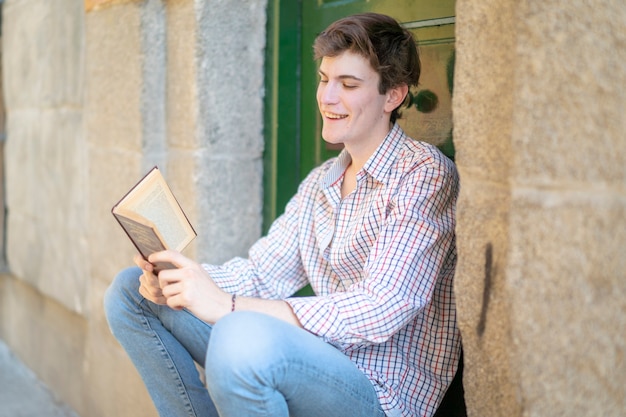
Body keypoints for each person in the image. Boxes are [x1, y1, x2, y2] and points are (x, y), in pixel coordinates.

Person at [105, 12, 461, 417]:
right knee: (130, 290)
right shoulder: (321, 182)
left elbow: (383, 306)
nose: (327, 98)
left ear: (393, 96)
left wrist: (229, 306)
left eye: (348, 84)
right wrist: (182, 279)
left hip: (380, 395)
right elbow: (262, 274)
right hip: (312, 361)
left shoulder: (424, 174)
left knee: (240, 339)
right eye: (325, 80)